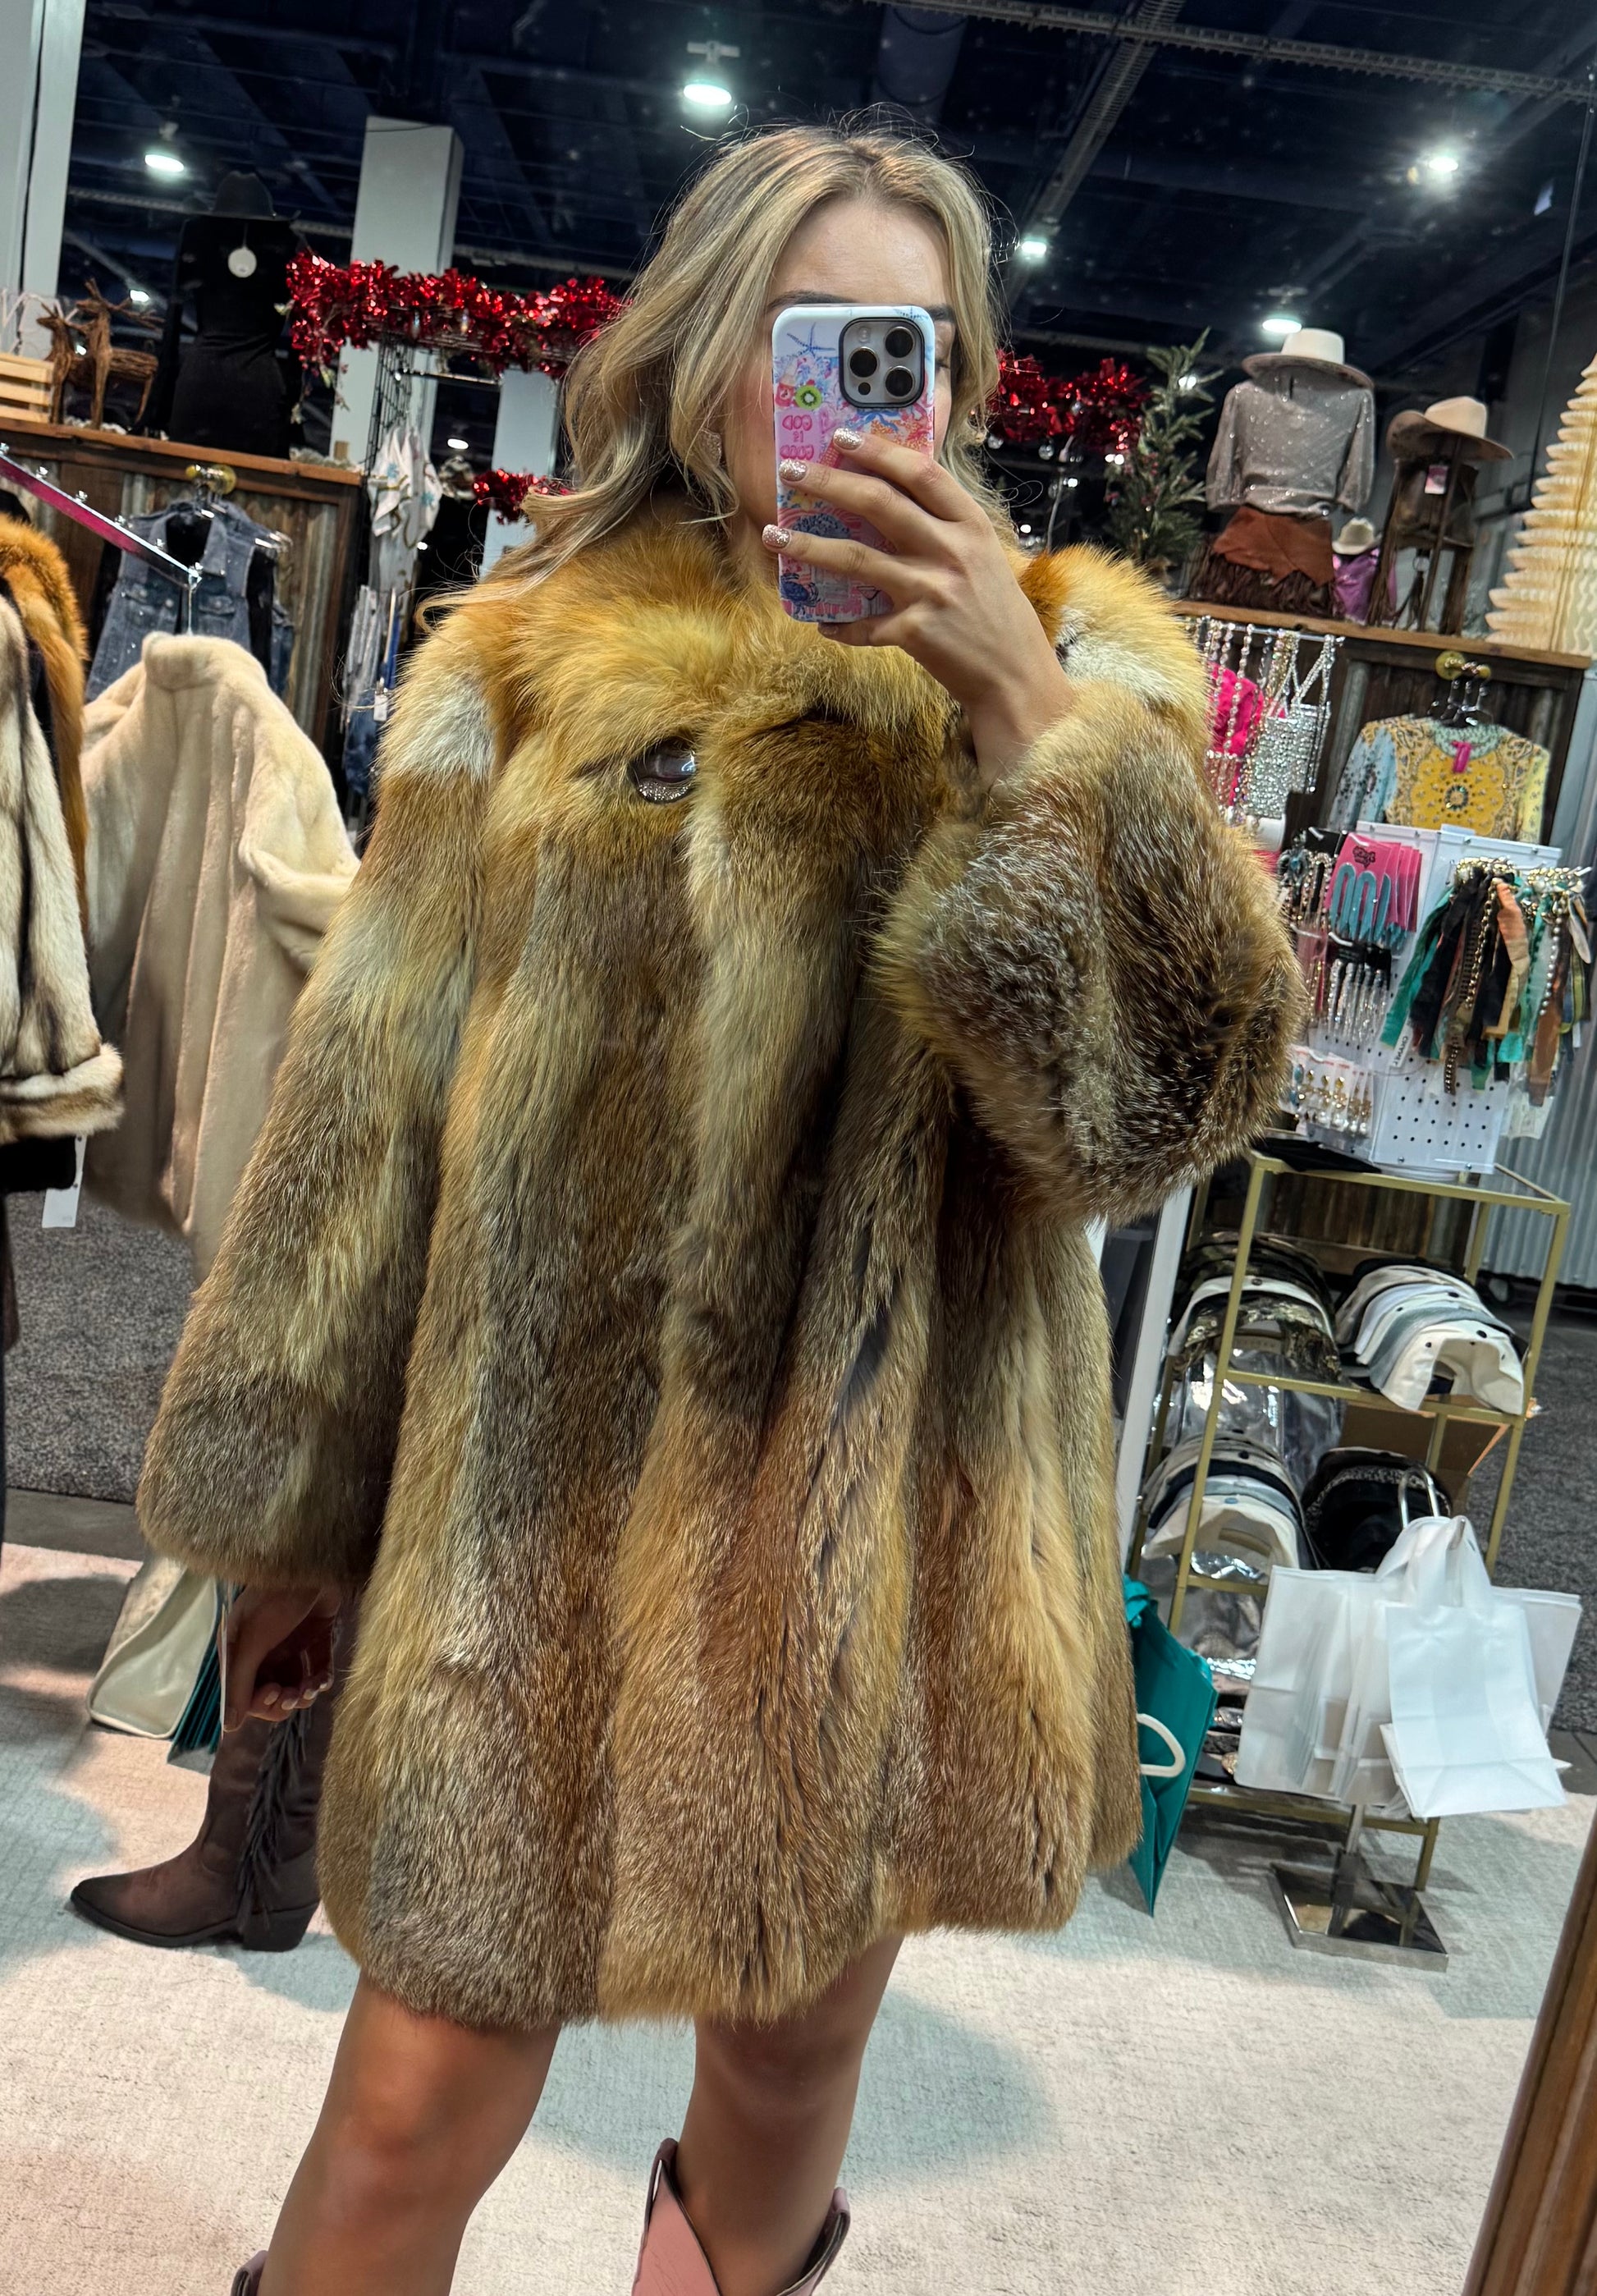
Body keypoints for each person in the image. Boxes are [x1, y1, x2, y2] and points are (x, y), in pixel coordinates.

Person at [138, 122, 1300, 2296]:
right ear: (702, 362)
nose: (859, 394)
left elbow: (1152, 1119)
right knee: (404, 2109)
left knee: (786, 2063)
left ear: (962, 383)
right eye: (808, 336)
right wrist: (289, 1505)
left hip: (882, 1542)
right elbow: (365, 1119)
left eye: (910, 347)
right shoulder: (522, 670)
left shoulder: (1085, 679)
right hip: (537, 1533)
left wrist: (1028, 726)